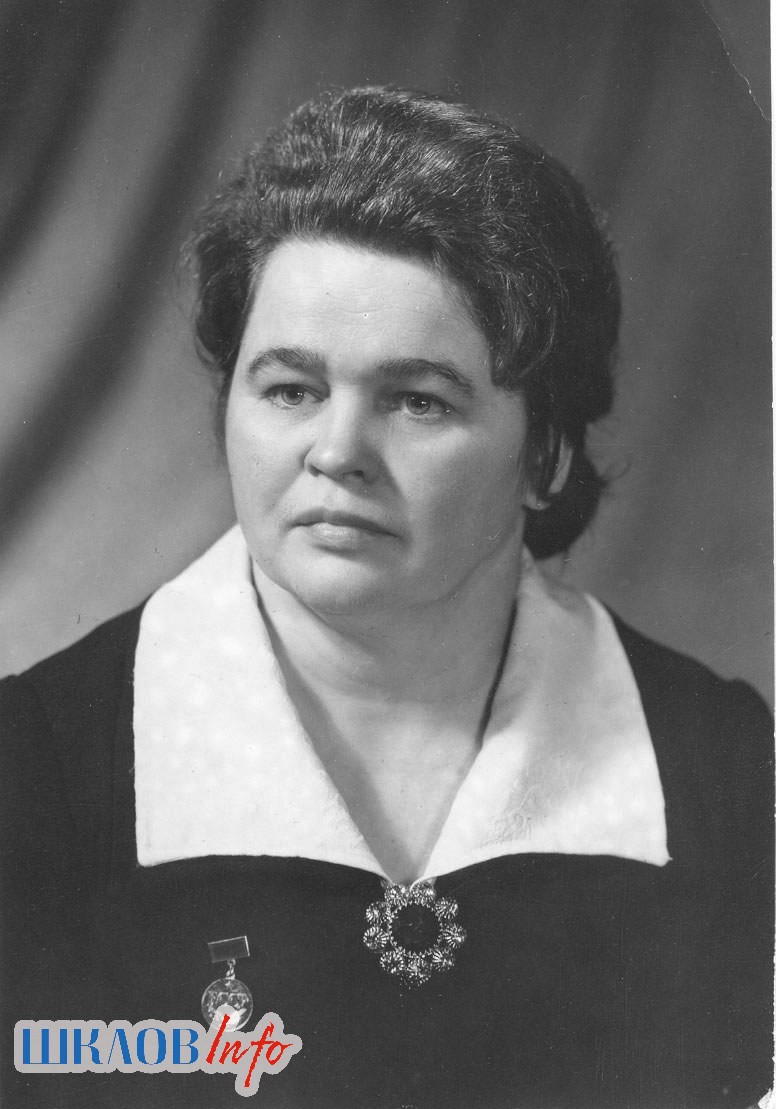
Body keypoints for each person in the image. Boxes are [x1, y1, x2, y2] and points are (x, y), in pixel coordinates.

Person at [1, 86, 772, 1109]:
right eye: (290, 389)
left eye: (417, 400)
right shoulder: (33, 770)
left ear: (545, 454)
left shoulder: (720, 769)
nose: (337, 451)